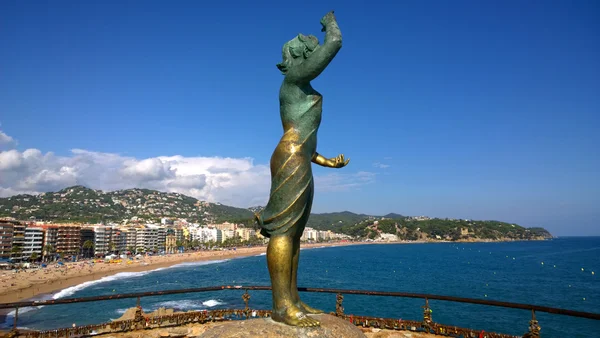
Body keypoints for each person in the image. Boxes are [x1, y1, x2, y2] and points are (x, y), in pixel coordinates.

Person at [254, 11, 349, 327]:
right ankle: (281, 306)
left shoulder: (296, 84)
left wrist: (326, 161)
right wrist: (329, 24)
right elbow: (333, 43)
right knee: (284, 231)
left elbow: (307, 142)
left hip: (299, 155)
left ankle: (292, 299)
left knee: (294, 233)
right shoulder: (293, 78)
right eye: (308, 50)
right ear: (298, 58)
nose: (312, 51)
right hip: (290, 156)